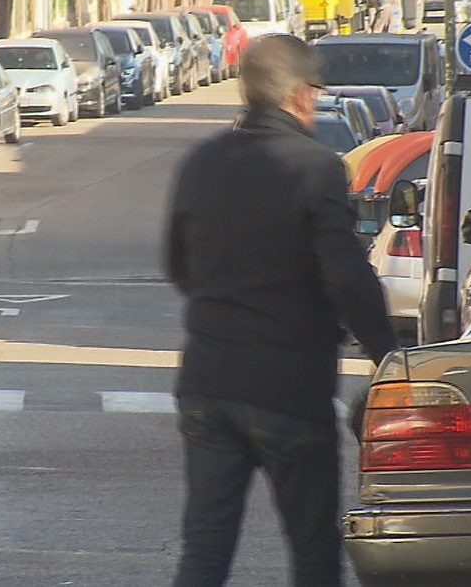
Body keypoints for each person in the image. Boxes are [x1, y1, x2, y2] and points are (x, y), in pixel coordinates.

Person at [164, 34, 400, 587]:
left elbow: (176, 264)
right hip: (289, 390)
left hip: (208, 383)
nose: (315, 104)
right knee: (314, 552)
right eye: (314, 94)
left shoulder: (202, 162)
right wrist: (387, 353)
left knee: (205, 546)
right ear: (297, 96)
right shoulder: (315, 167)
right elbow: (347, 278)